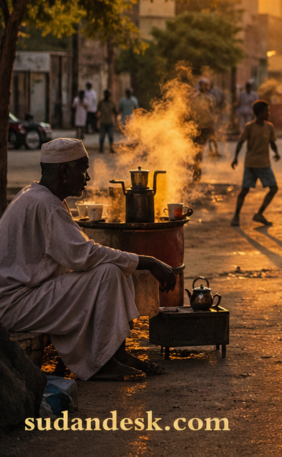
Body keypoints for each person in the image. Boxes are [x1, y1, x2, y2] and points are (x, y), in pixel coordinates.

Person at [0, 139, 176, 381]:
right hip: (15, 304)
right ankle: (101, 363)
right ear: (64, 171)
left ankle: (115, 354)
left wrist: (135, 261)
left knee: (112, 269)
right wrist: (147, 261)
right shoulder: (44, 203)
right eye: (83, 169)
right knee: (109, 272)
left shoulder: (38, 196)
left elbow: (81, 253)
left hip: (28, 296)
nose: (88, 177)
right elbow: (84, 255)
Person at [230, 100, 281, 226]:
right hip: (259, 164)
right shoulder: (250, 127)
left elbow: (272, 143)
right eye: (267, 111)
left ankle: (238, 216)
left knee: (245, 190)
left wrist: (276, 153)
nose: (269, 114)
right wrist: (235, 157)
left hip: (256, 163)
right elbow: (241, 142)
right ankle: (256, 214)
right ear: (260, 113)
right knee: (272, 188)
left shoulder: (269, 127)